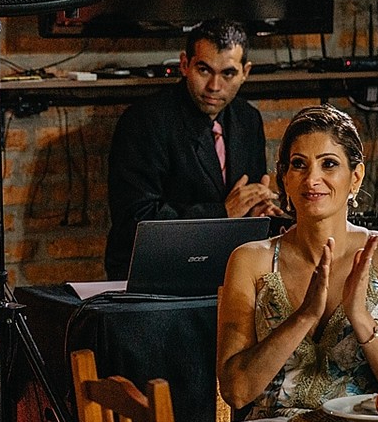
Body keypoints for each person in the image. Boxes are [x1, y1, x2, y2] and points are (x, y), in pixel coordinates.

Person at [217, 105, 378, 419]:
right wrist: (303, 316)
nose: (312, 178)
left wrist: (360, 317)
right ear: (284, 178)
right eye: (298, 165)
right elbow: (235, 392)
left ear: (356, 177)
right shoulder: (251, 260)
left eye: (328, 164)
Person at [104, 19, 281, 279]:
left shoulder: (248, 118)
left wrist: (257, 213)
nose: (214, 86)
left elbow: (243, 204)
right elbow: (136, 219)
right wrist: (223, 213)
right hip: (153, 272)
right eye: (204, 70)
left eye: (228, 74)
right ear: (185, 64)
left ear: (245, 72)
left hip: (227, 268)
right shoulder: (144, 120)